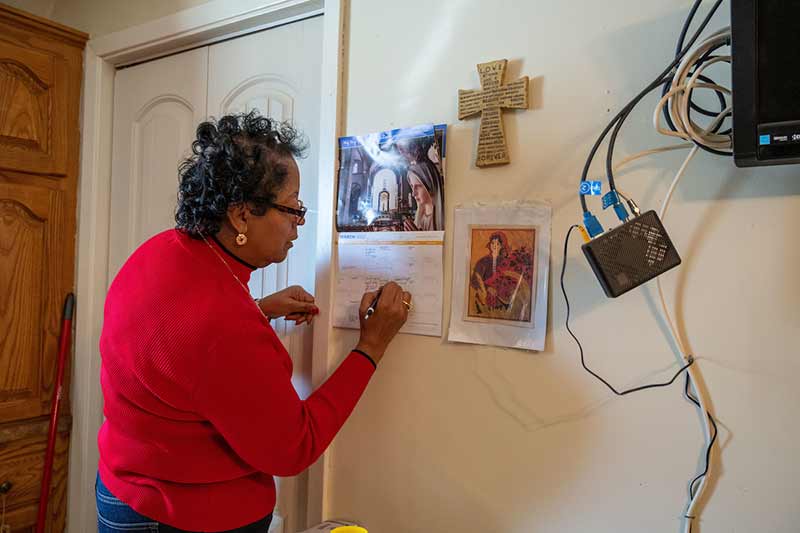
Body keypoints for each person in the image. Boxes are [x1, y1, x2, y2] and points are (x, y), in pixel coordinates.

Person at [96, 111, 412, 533]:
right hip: (183, 516)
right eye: (292, 208)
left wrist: (259, 309)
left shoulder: (158, 251)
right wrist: (370, 346)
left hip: (122, 495)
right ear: (242, 215)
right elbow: (292, 448)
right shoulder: (223, 325)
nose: (298, 227)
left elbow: (172, 347)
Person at [470, 231, 531, 320]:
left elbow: (511, 279)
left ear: (502, 246)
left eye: (498, 244)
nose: (495, 245)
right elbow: (474, 281)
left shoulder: (506, 261)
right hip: (484, 300)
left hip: (503, 300)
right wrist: (487, 288)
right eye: (492, 243)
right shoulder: (482, 261)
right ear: (489, 244)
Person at [402, 159, 444, 231]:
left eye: (418, 186)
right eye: (412, 186)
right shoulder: (420, 216)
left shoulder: (442, 218)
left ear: (430, 184)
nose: (413, 193)